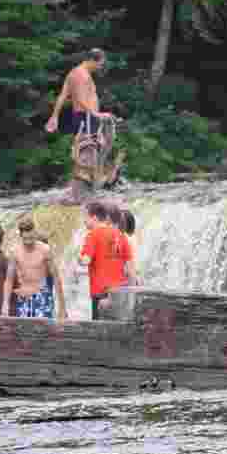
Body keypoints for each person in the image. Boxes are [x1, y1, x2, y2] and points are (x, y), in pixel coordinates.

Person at [44, 48, 119, 203]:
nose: (100, 67)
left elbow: (63, 96)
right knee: (87, 152)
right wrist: (96, 114)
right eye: (100, 64)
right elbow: (79, 97)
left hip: (85, 117)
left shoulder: (74, 73)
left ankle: (86, 189)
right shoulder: (82, 76)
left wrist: (54, 116)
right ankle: (81, 195)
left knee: (91, 150)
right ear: (92, 60)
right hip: (87, 117)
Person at [2, 216, 67, 320]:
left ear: (35, 233)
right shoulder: (14, 251)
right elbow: (9, 280)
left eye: (31, 238)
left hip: (42, 297)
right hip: (24, 296)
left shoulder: (45, 250)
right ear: (21, 236)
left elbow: (56, 278)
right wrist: (5, 304)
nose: (28, 242)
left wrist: (62, 307)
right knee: (24, 331)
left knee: (44, 331)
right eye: (25, 239)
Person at [79, 201, 131, 320]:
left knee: (99, 331)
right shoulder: (120, 235)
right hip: (119, 293)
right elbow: (129, 267)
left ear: (94, 217)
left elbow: (86, 261)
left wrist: (79, 259)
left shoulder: (92, 235)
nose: (84, 221)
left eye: (85, 217)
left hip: (100, 292)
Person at [117, 207, 138, 287]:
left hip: (126, 277)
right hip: (130, 275)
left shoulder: (125, 238)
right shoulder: (133, 237)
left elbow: (129, 262)